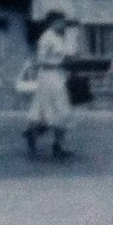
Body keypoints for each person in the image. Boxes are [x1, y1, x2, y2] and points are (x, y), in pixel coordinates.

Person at [24, 12, 76, 159]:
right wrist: (58, 63)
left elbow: (62, 56)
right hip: (49, 77)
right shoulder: (46, 38)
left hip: (59, 76)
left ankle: (54, 144)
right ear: (53, 22)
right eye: (61, 22)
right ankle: (44, 140)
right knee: (56, 112)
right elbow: (40, 61)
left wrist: (68, 61)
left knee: (61, 112)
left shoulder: (59, 37)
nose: (64, 24)